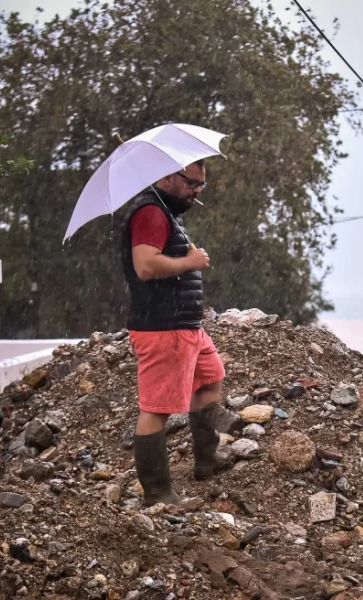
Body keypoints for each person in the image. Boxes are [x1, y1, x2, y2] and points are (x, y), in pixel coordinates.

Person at [120, 158, 231, 506]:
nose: (197, 191)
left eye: (201, 185)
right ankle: (157, 492)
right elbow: (146, 265)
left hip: (185, 326)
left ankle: (205, 461)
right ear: (167, 176)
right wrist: (190, 262)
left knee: (211, 379)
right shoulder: (151, 213)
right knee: (157, 408)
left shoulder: (167, 214)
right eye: (192, 183)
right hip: (162, 327)